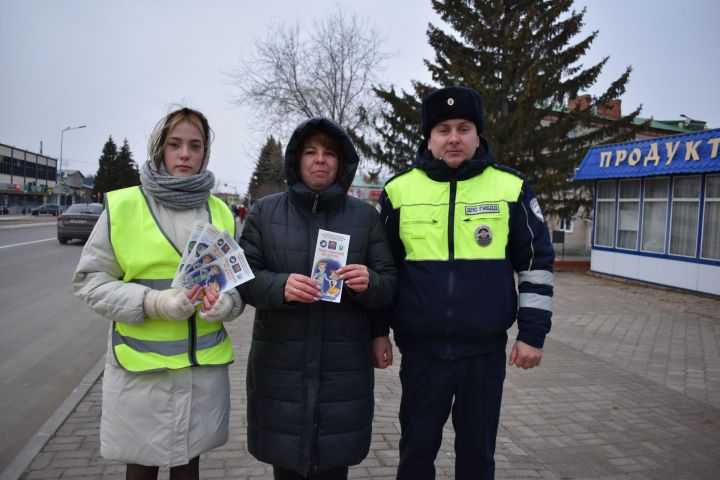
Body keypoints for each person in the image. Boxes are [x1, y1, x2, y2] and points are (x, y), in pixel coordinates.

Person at [377, 86, 555, 479]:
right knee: (415, 455)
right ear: (428, 137)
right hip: (422, 353)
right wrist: (377, 333)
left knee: (478, 459)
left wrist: (533, 334)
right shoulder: (398, 191)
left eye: (464, 127)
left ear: (478, 134)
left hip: (484, 355)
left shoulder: (511, 188)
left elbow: (536, 262)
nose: (453, 137)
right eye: (443, 128)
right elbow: (381, 269)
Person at [73, 107, 244, 480]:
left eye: (194, 146)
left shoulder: (221, 213)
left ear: (205, 153)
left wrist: (225, 305)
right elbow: (90, 282)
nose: (185, 154)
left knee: (190, 468)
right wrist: (153, 303)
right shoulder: (125, 206)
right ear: (160, 150)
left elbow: (237, 288)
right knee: (141, 469)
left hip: (203, 371)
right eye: (175, 144)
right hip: (141, 370)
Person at [238, 117, 397, 480]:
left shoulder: (364, 217)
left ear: (342, 163)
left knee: (333, 463)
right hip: (281, 365)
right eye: (310, 152)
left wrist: (369, 282)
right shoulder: (265, 212)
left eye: (329, 153)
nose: (320, 160)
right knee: (286, 464)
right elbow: (243, 279)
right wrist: (280, 286)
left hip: (342, 367)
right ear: (296, 160)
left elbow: (389, 283)